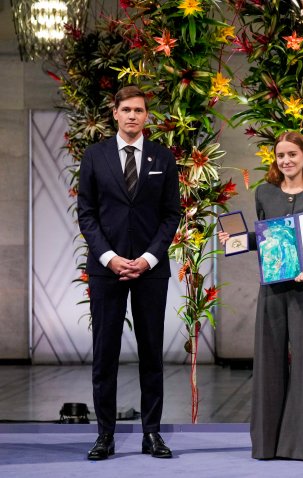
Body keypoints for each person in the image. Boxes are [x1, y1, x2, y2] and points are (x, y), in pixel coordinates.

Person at [77, 85, 181, 460]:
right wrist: (109, 257)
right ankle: (104, 435)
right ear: (115, 114)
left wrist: (148, 259)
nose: (133, 115)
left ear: (146, 116)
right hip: (107, 271)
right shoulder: (95, 155)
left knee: (152, 353)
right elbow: (86, 213)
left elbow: (172, 214)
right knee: (105, 354)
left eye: (139, 110)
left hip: (150, 272)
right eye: (127, 109)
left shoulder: (163, 157)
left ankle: (151, 434)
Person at [218, 131, 303, 460]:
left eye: (292, 155)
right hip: (272, 288)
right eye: (280, 155)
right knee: (268, 362)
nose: (286, 160)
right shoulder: (264, 193)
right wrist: (236, 240)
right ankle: (267, 445)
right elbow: (265, 236)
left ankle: (300, 445)